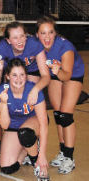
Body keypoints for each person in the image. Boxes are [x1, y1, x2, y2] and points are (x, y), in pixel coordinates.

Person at [36, 16, 84, 174]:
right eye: (43, 33)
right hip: (55, 74)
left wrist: (58, 71)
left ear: (55, 33)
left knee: (65, 115)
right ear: (37, 35)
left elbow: (67, 76)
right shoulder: (37, 46)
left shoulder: (65, 47)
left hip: (71, 75)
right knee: (58, 114)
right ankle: (63, 152)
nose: (47, 37)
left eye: (50, 32)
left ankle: (70, 158)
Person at [0, 58, 49, 180]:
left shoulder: (34, 90)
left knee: (25, 134)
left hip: (33, 123)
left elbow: (44, 124)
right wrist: (4, 103)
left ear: (26, 76)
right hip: (14, 126)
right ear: (7, 76)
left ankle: (36, 163)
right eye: (14, 75)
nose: (18, 79)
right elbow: (4, 125)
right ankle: (26, 149)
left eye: (22, 75)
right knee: (7, 168)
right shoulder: (0, 91)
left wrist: (42, 156)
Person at [0, 21, 50, 106]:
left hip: (31, 71)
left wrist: (35, 90)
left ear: (26, 36)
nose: (20, 41)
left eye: (22, 36)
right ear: (8, 40)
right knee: (10, 93)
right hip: (13, 73)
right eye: (15, 38)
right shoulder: (1, 48)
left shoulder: (34, 44)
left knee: (29, 94)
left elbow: (46, 76)